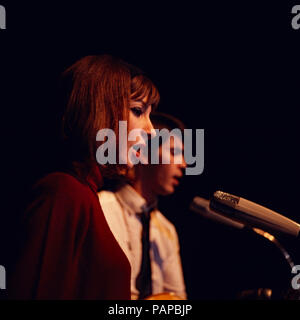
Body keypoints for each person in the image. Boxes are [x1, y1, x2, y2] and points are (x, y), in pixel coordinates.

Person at [7, 55, 160, 299]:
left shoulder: (84, 194)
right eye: (138, 111)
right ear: (102, 109)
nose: (151, 130)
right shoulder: (63, 192)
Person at [98, 112, 187, 300]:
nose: (184, 164)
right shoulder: (102, 208)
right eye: (174, 152)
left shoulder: (166, 230)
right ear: (146, 151)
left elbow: (177, 299)